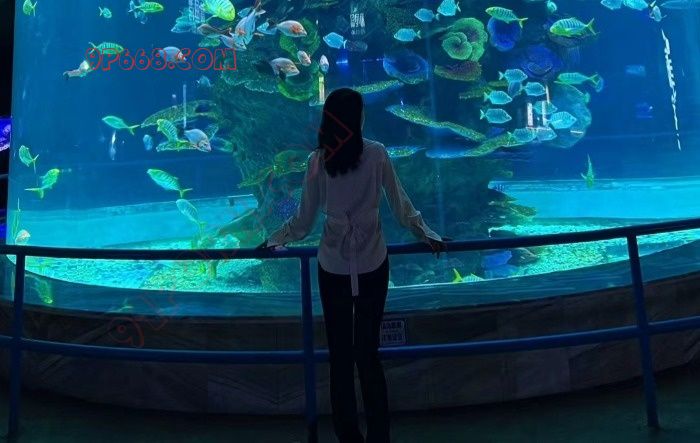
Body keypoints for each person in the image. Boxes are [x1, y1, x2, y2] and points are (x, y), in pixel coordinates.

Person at [257, 88, 448, 443]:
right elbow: (400, 203)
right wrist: (425, 232)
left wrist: (273, 239)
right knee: (368, 354)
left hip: (332, 266)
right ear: (358, 118)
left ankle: (348, 437)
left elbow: (303, 221)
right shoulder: (376, 153)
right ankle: (379, 436)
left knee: (340, 358)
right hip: (373, 262)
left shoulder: (317, 160)